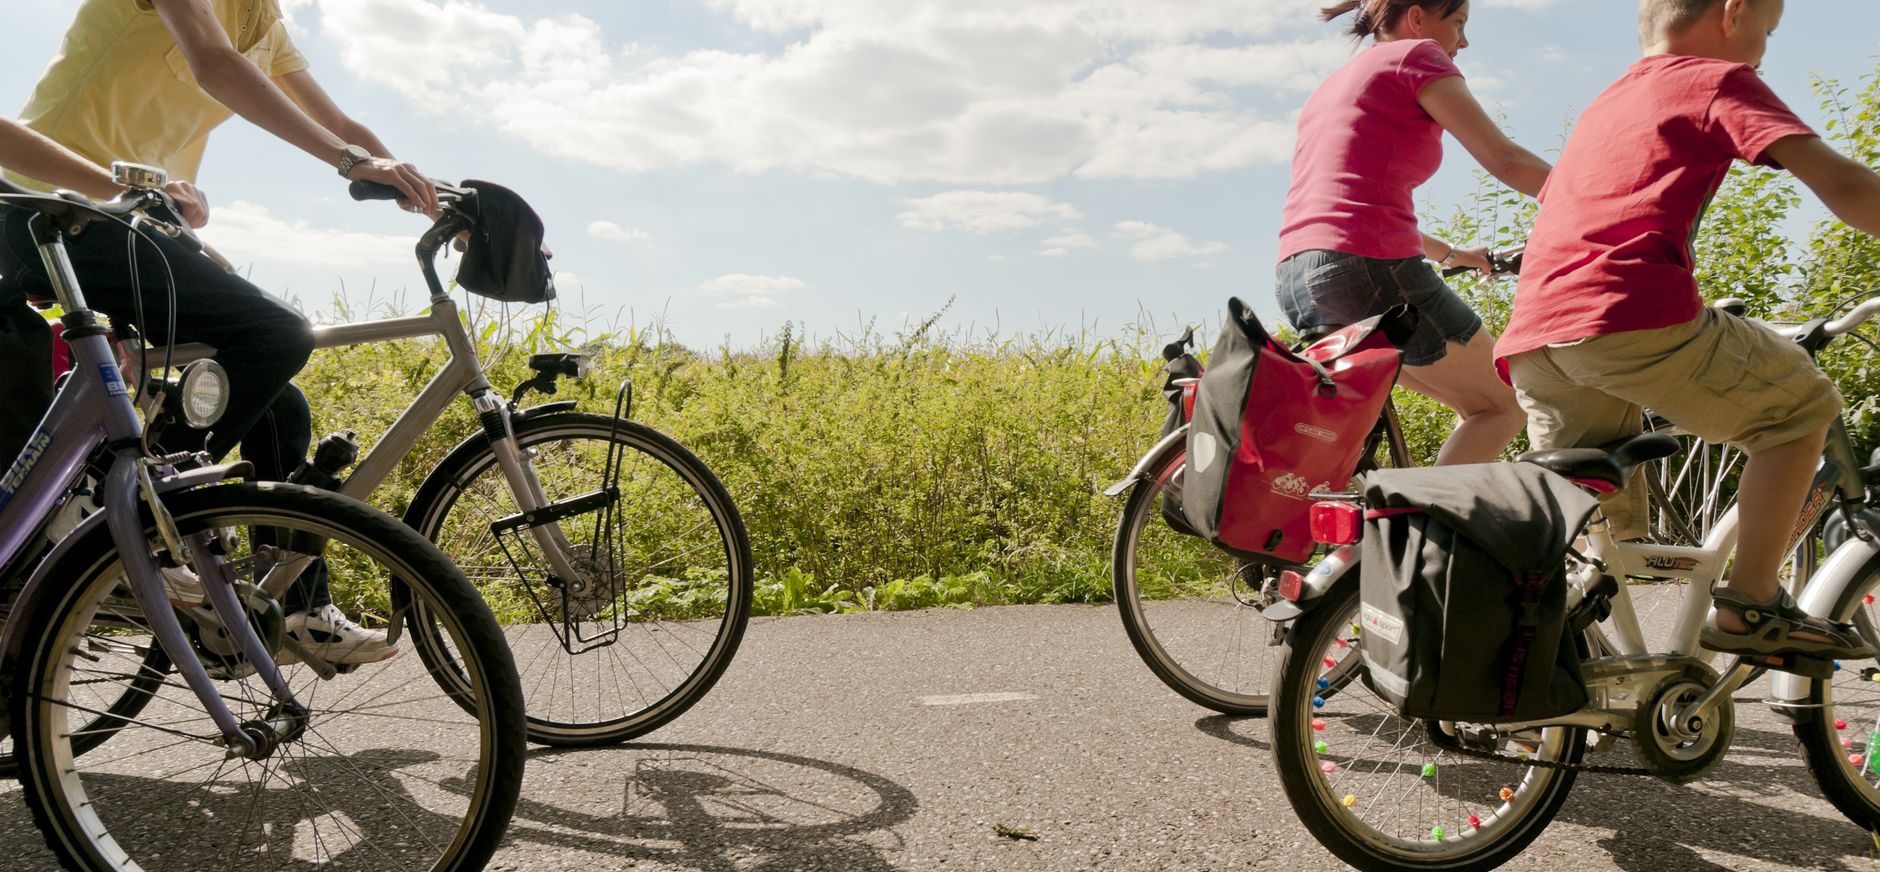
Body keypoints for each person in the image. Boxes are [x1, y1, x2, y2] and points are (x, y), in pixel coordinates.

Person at [0, 0, 440, 664]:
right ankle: (122, 522)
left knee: (275, 401)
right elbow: (213, 64)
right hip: (47, 204)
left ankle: (294, 607)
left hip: (126, 219)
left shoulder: (261, 21)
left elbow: (342, 121)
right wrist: (351, 162)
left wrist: (431, 194)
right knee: (275, 335)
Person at [1500, 0, 1880, 659]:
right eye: (1768, 29)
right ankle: (1753, 606)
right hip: (1626, 313)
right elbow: (1842, 184)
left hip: (1536, 336)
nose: (1765, 51)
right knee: (1799, 408)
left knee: (1607, 540)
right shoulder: (1714, 78)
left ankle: (1595, 686)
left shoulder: (1608, 101)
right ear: (1733, 13)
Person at [1277, 0, 1553, 465]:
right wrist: (1593, 203)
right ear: (1418, 18)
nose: (1462, 42)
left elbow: (1349, 200)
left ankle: (1395, 528)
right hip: (1369, 270)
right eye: (1458, 24)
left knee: (1471, 404)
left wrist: (1452, 254)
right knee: (1501, 405)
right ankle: (1431, 535)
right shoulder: (1416, 56)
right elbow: (1506, 161)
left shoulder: (1335, 83)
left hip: (1301, 275)